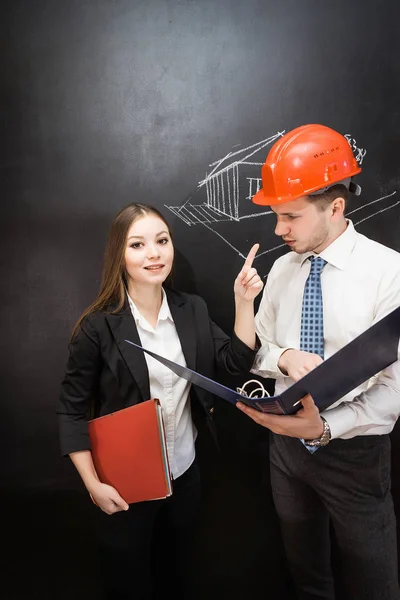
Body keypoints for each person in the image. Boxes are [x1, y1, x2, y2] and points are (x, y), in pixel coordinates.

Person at [57, 202, 263, 600]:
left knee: (178, 577)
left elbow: (235, 363)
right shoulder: (97, 325)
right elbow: (71, 409)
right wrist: (93, 485)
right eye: (137, 244)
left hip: (185, 474)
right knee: (128, 583)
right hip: (123, 484)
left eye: (161, 241)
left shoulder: (193, 309)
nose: (153, 253)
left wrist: (243, 302)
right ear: (120, 254)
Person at [237, 124, 400, 599]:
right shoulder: (283, 268)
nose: (277, 229)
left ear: (335, 208)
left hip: (355, 456)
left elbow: (393, 389)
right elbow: (258, 350)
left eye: (289, 216)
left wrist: (324, 428)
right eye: (275, 215)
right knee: (306, 575)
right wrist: (283, 355)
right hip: (284, 450)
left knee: (374, 582)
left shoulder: (387, 273)